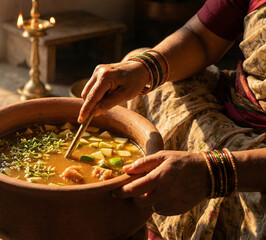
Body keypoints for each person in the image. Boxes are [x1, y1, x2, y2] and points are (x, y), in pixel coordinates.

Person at [78, 0, 266, 239]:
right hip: (237, 103)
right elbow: (200, 37)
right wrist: (144, 68)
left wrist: (213, 173)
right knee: (142, 77)